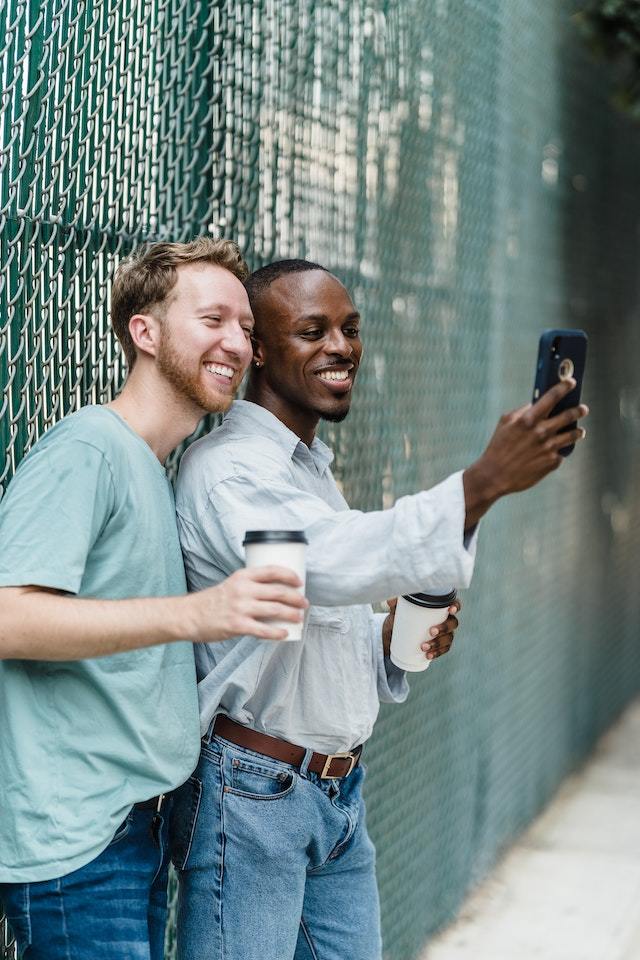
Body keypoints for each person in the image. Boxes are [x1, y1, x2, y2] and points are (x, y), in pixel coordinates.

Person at [173, 259, 589, 960]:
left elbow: (299, 613)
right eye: (313, 331)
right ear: (261, 350)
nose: (341, 347)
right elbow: (322, 562)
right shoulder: (229, 470)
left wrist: (385, 635)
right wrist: (481, 483)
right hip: (251, 798)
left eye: (350, 328)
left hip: (333, 795)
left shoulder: (304, 468)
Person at [0, 239, 307, 960]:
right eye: (212, 319)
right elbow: (8, 616)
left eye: (245, 328)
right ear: (145, 332)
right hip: (75, 843)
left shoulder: (154, 469)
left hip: (127, 830)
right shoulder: (89, 450)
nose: (237, 341)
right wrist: (199, 613)